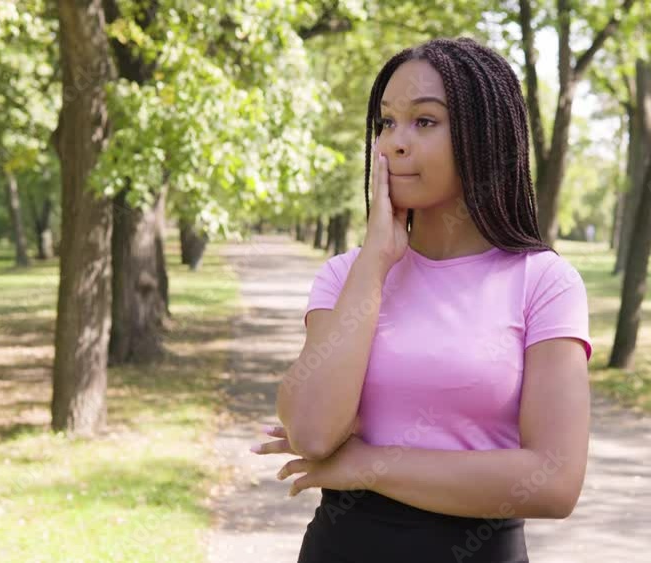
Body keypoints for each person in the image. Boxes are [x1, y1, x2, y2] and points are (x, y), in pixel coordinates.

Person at [250, 36, 592, 563]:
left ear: (485, 139)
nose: (394, 143)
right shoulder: (346, 275)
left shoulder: (544, 283)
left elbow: (553, 480)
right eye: (386, 122)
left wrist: (368, 464)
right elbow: (313, 432)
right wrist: (375, 263)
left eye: (424, 122)